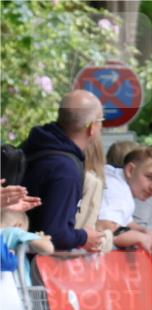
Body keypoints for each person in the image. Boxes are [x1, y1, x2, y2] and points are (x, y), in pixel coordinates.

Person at [22, 90, 105, 252]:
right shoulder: (66, 170)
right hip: (28, 266)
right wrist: (85, 237)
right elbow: (54, 233)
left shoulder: (34, 145)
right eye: (101, 121)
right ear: (92, 128)